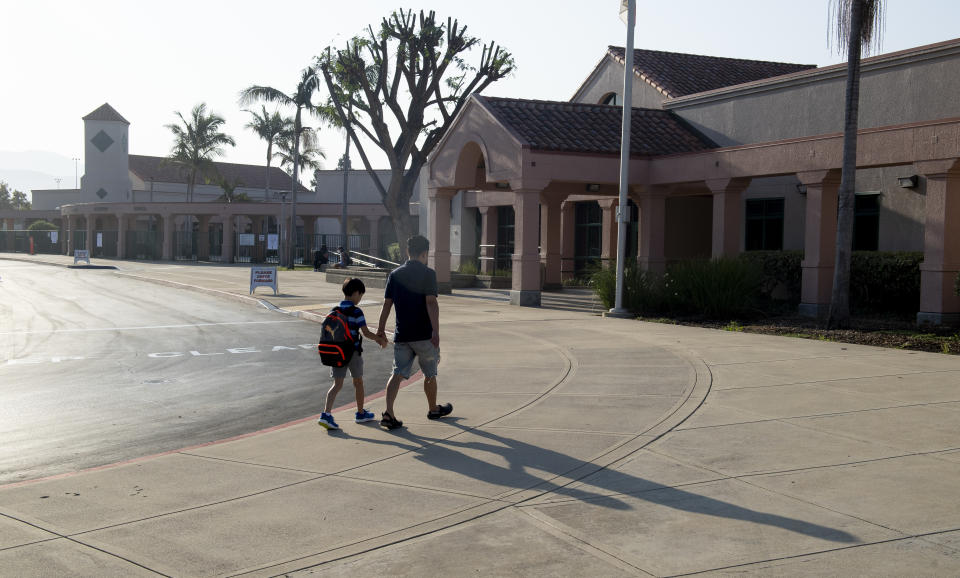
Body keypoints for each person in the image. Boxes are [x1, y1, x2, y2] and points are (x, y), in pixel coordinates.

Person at [376, 235, 452, 430]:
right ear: (424, 254)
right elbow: (431, 303)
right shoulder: (428, 274)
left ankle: (388, 413)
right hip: (423, 335)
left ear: (407, 252)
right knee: (430, 373)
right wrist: (436, 331)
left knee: (397, 373)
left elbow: (386, 305)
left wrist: (381, 330)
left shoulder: (395, 274)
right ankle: (433, 409)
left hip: (402, 336)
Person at [317, 278, 388, 430]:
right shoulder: (356, 311)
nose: (360, 299)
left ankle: (326, 414)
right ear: (356, 293)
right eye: (360, 296)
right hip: (353, 353)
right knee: (358, 382)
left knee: (336, 385)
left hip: (337, 353)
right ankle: (361, 413)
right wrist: (380, 339)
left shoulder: (334, 310)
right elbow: (366, 333)